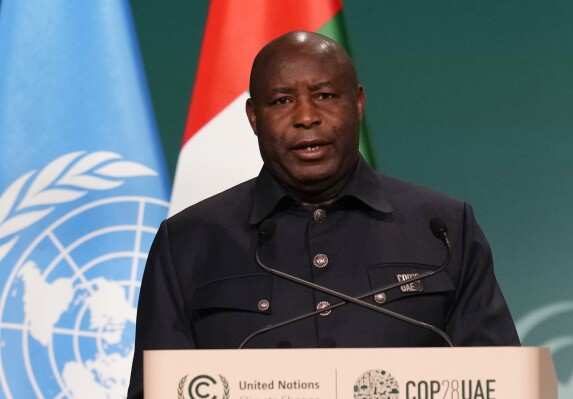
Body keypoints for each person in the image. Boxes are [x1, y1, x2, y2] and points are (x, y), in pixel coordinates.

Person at [127, 31, 519, 398]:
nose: (306, 116)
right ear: (253, 117)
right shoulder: (189, 241)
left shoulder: (444, 228)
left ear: (358, 103)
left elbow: (499, 382)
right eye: (281, 100)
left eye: (326, 96)